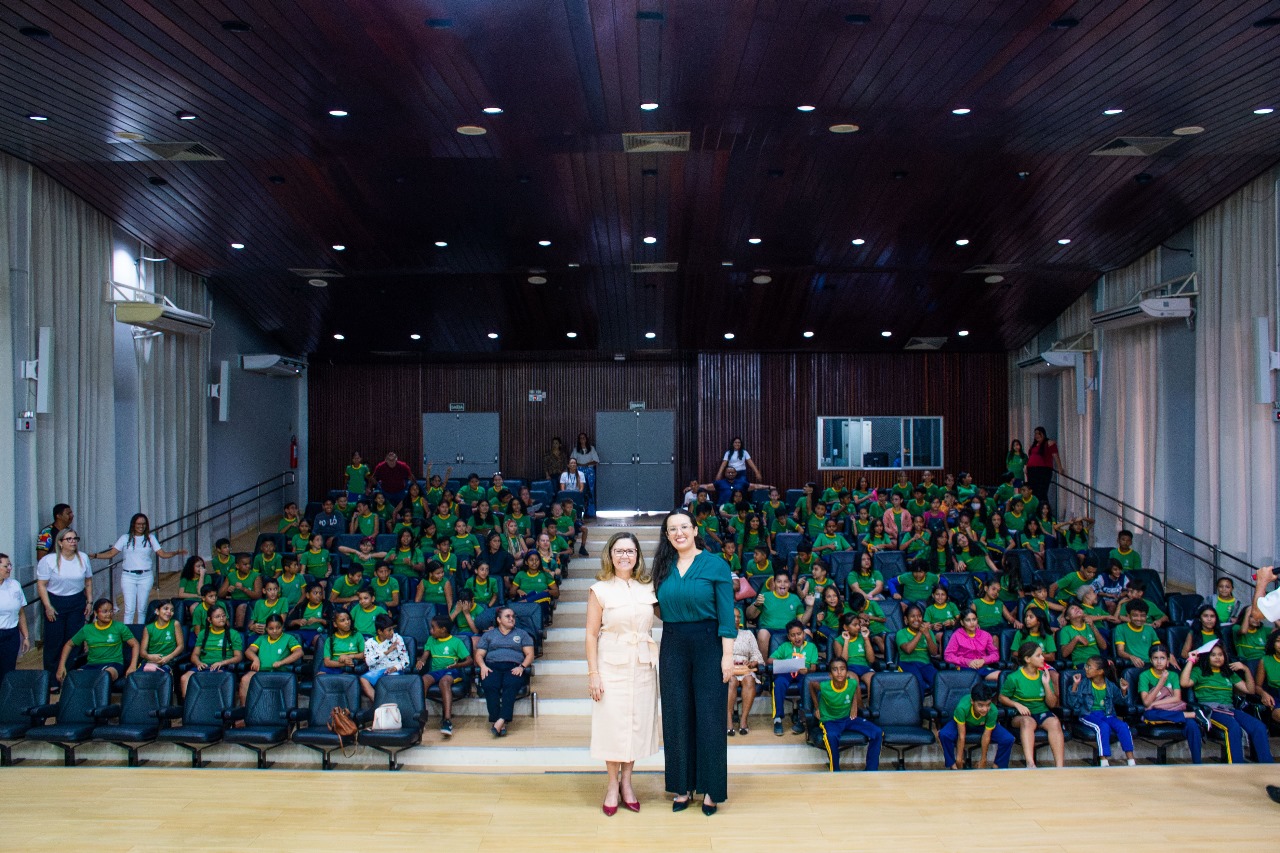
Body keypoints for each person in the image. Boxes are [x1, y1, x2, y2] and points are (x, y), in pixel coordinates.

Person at [653, 508, 735, 815]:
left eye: (684, 527)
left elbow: (727, 614)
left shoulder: (716, 565)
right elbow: (657, 606)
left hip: (709, 643)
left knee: (710, 717)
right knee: (676, 715)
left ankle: (712, 789)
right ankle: (682, 786)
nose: (679, 533)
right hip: (673, 642)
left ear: (696, 529)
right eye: (672, 529)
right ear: (667, 535)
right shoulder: (662, 567)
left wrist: (727, 655)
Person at [585, 532, 659, 814]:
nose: (624, 555)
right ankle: (611, 785)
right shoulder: (599, 589)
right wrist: (593, 673)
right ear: (610, 555)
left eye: (630, 551)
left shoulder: (648, 587)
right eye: (619, 551)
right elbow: (591, 635)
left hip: (642, 663)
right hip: (610, 663)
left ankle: (628, 782)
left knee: (635, 724)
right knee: (613, 725)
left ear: (638, 556)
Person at [1181, 641, 1273, 764]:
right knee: (1233, 727)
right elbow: (1184, 683)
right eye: (1213, 655)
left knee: (1259, 727)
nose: (1218, 657)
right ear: (1207, 657)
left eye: (1220, 655)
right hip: (1210, 710)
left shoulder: (1228, 673)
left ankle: (1267, 765)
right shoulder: (1199, 671)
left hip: (1230, 709)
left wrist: (1245, 669)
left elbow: (1250, 690)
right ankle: (1236, 766)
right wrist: (1191, 661)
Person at [36, 527, 94, 687]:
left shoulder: (82, 558)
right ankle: (52, 680)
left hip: (77, 602)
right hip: (55, 602)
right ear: (60, 543)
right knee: (54, 641)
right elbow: (41, 585)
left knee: (74, 640)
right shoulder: (48, 561)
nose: (73, 541)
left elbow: (88, 581)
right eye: (69, 539)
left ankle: (70, 678)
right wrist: (47, 606)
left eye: (75, 538)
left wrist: (89, 601)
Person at [809, 657, 883, 772]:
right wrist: (817, 707)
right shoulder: (824, 686)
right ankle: (836, 771)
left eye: (842, 669)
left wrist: (854, 706)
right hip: (830, 720)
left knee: (877, 732)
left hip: (848, 719)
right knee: (831, 736)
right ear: (830, 675)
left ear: (847, 672)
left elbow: (852, 691)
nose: (839, 672)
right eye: (835, 669)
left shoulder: (852, 683)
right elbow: (811, 686)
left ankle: (871, 770)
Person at [999, 641, 1065, 768]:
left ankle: (1060, 767)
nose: (1043, 658)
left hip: (1041, 712)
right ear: (1027, 659)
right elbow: (1002, 697)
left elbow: (1051, 704)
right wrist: (1016, 704)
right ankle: (1030, 764)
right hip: (1021, 715)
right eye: (1038, 655)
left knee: (1055, 723)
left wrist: (1046, 684)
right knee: (1027, 722)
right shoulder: (1014, 678)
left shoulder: (1044, 675)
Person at [1065, 655, 1136, 766]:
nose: (1085, 669)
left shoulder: (1110, 685)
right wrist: (1075, 685)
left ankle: (1131, 760)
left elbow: (1122, 702)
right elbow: (1073, 704)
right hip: (1089, 715)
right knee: (1102, 726)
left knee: (1123, 726)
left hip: (1108, 714)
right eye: (1086, 666)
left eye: (1089, 667)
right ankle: (1104, 760)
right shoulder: (1083, 683)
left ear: (1100, 671)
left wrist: (1123, 691)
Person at [475, 606, 535, 737]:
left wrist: (522, 667)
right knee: (489, 685)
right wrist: (483, 666)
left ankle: (500, 721)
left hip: (513, 666)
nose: (511, 619)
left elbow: (530, 654)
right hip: (492, 665)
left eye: (513, 616)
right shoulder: (489, 635)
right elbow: (479, 654)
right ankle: (499, 721)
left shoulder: (522, 634)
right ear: (498, 619)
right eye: (507, 616)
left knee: (511, 685)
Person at [1136, 646, 1201, 763]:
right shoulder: (1144, 675)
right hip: (1158, 714)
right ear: (1151, 660)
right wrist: (1161, 682)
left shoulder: (1173, 675)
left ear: (1167, 660)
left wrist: (1154, 703)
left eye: (1162, 658)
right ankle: (1190, 715)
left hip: (1172, 710)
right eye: (1155, 658)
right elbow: (1146, 702)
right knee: (1149, 715)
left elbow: (1177, 698)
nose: (1159, 661)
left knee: (1192, 725)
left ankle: (1198, 763)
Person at [57, 597, 139, 684]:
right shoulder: (87, 629)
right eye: (105, 611)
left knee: (104, 676)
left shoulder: (119, 627)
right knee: (75, 678)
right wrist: (61, 666)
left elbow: (135, 644)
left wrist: (133, 666)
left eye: (111, 611)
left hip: (113, 664)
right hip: (92, 665)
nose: (109, 614)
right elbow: (69, 645)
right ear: (96, 613)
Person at [416, 614, 472, 735]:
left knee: (444, 682)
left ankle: (447, 720)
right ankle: (420, 718)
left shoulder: (456, 642)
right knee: (423, 680)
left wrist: (457, 665)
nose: (431, 630)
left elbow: (469, 660)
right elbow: (426, 654)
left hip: (451, 671)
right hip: (435, 671)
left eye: (433, 628)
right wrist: (421, 661)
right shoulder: (431, 640)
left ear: (443, 630)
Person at [938, 682, 1015, 770]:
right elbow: (961, 736)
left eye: (988, 705)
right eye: (980, 705)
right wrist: (959, 759)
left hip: (982, 725)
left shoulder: (993, 711)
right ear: (972, 701)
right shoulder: (962, 708)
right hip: (963, 724)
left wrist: (983, 760)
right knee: (944, 735)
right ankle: (953, 765)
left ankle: (997, 767)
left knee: (1008, 738)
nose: (985, 709)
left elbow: (986, 735)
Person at [768, 621, 818, 736]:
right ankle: (778, 719)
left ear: (804, 634)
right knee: (778, 683)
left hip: (803, 673)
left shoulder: (811, 647)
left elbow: (814, 667)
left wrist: (808, 670)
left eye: (799, 634)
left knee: (806, 685)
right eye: (793, 635)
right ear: (788, 637)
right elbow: (770, 660)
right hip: (787, 672)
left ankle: (802, 718)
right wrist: (786, 662)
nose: (796, 637)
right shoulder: (785, 646)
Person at [241, 614, 304, 703]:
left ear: (282, 626)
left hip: (280, 672)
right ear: (266, 629)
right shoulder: (262, 639)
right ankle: (244, 711)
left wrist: (282, 662)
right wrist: (255, 659)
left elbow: (299, 652)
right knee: (245, 679)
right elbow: (249, 651)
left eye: (278, 628)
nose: (275, 631)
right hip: (261, 671)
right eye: (271, 628)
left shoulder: (289, 638)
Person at [727, 610, 764, 736]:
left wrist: (753, 662)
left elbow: (755, 653)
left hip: (745, 667)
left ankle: (743, 720)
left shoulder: (748, 634)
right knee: (731, 681)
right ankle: (729, 720)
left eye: (739, 617)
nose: (737, 619)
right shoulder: (722, 634)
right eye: (733, 617)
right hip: (728, 668)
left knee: (749, 680)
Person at [360, 613, 409, 704]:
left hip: (393, 670)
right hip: (376, 671)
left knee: (390, 681)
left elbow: (406, 661)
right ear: (380, 631)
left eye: (393, 629)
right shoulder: (369, 643)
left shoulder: (397, 639)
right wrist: (387, 652)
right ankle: (380, 705)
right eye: (389, 630)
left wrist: (395, 668)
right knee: (363, 679)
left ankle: (388, 707)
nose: (392, 632)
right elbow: (368, 662)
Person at [943, 609, 999, 681]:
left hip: (982, 668)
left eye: (974, 619)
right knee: (973, 679)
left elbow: (995, 654)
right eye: (968, 620)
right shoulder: (957, 635)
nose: (972, 623)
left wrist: (983, 660)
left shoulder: (985, 635)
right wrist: (967, 661)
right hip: (964, 669)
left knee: (1002, 676)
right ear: (962, 622)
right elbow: (948, 656)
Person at [0, 554, 30, 681]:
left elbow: (21, 613)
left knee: (8, 671)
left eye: (10, 565)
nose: (9, 568)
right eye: (6, 566)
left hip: (11, 634)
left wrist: (26, 637)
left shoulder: (15, 585)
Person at [139, 599, 184, 672]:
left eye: (172, 610)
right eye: (165, 609)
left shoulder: (175, 624)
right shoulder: (148, 628)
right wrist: (149, 657)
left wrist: (167, 658)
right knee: (139, 676)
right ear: (157, 611)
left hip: (168, 661)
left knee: (161, 676)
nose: (169, 612)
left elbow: (181, 646)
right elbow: (142, 652)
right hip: (151, 661)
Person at [1025, 427, 1063, 505]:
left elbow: (1055, 455)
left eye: (1039, 434)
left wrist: (1059, 467)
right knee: (1033, 491)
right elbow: (1030, 457)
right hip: (1032, 470)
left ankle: (1044, 510)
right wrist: (1026, 467)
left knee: (1042, 492)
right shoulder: (1034, 445)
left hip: (1043, 470)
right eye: (1035, 434)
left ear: (1043, 434)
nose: (1037, 435)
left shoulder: (1049, 443)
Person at [571, 433, 600, 517]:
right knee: (580, 490)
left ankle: (590, 512)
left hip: (589, 471)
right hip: (579, 471)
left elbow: (596, 461)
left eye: (584, 438)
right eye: (580, 438)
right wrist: (580, 465)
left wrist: (586, 464)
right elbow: (572, 460)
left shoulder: (591, 449)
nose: (582, 440)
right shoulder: (576, 449)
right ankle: (579, 512)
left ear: (586, 439)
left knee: (590, 491)